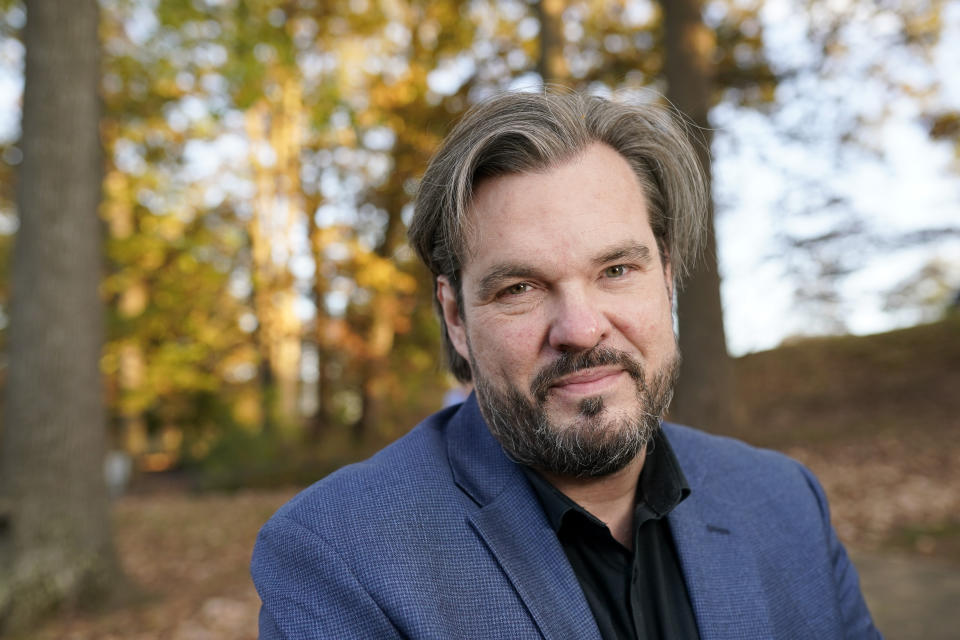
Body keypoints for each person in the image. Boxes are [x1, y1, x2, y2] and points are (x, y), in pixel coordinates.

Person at [251, 90, 882, 639]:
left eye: (615, 270)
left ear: (666, 277)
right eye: (519, 288)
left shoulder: (785, 501)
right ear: (456, 318)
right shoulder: (337, 556)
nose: (580, 330)